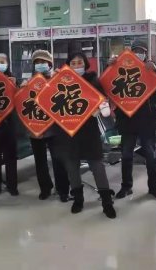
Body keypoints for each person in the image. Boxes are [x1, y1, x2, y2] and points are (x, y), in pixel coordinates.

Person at [57, 52, 116, 219]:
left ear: (85, 64)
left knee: (97, 165)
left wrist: (100, 108)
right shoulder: (62, 80)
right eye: (73, 63)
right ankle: (78, 199)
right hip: (69, 130)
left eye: (80, 62)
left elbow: (103, 101)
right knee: (72, 166)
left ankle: (107, 202)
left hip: (89, 130)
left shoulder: (93, 80)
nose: (77, 66)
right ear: (68, 65)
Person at [112, 40, 156, 200]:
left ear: (146, 54)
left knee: (150, 155)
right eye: (136, 51)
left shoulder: (150, 68)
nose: (138, 54)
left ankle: (154, 187)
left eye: (142, 51)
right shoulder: (121, 67)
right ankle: (126, 187)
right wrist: (111, 66)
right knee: (126, 155)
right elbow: (108, 84)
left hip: (147, 120)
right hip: (127, 120)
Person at [22, 49, 70, 202]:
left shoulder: (56, 78)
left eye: (43, 62)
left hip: (55, 128)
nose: (40, 64)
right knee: (40, 161)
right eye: (37, 62)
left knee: (58, 160)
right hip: (36, 128)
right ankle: (45, 188)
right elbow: (22, 102)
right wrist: (22, 89)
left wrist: (61, 79)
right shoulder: (29, 82)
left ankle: (63, 190)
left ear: (49, 64)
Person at [0, 53, 19, 196]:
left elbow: (20, 100)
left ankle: (12, 185)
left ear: (7, 64)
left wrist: (16, 86)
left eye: (3, 62)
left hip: (9, 123)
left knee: (10, 157)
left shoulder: (12, 79)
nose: (0, 64)